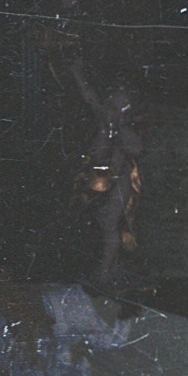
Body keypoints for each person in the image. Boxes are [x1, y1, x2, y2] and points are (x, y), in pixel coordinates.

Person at [69, 61, 142, 287]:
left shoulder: (126, 134)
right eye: (112, 106)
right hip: (93, 179)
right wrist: (76, 72)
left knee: (110, 224)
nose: (114, 113)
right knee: (91, 222)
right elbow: (88, 95)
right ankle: (95, 268)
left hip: (116, 180)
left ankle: (105, 272)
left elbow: (135, 151)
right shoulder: (102, 118)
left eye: (121, 109)